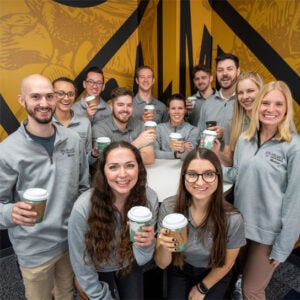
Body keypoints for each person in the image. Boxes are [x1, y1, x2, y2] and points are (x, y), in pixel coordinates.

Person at [0, 74, 89, 300]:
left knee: (66, 294)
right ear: (22, 100)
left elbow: (83, 187)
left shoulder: (72, 140)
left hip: (69, 242)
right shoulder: (7, 151)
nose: (44, 103)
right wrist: (11, 212)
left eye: (49, 96)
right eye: (35, 96)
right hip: (34, 249)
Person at [223, 81, 300, 300]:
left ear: (286, 109)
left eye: (278, 104)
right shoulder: (245, 140)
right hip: (240, 227)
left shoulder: (294, 146)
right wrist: (209, 170)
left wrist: (284, 246)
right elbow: (237, 174)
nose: (270, 109)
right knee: (236, 276)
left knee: (252, 289)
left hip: (268, 234)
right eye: (265, 103)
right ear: (257, 106)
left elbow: (296, 201)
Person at [68, 141, 159, 299]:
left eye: (130, 165)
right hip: (95, 266)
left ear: (139, 168)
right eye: (113, 167)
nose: (123, 174)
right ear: (103, 172)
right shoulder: (83, 207)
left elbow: (143, 259)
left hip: (128, 261)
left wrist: (147, 243)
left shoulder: (149, 199)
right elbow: (81, 262)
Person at [155, 148, 246, 300]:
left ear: (218, 177)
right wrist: (164, 246)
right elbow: (162, 264)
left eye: (209, 174)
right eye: (192, 174)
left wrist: (202, 288)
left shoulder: (233, 218)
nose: (200, 181)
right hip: (180, 267)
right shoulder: (169, 208)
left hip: (214, 271)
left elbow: (227, 263)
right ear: (184, 177)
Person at [92, 87, 156, 165]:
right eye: (120, 105)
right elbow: (104, 160)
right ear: (111, 106)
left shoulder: (140, 125)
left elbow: (149, 158)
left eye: (129, 105)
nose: (125, 109)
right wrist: (136, 144)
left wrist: (117, 155)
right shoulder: (100, 128)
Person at [214, 72, 264, 167]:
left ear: (261, 91)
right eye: (240, 93)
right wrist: (216, 152)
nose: (245, 97)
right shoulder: (232, 124)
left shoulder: (272, 122)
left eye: (250, 91)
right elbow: (231, 163)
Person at [197, 53, 240, 147]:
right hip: (210, 159)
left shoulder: (244, 102)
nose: (224, 73)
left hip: (236, 160)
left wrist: (226, 134)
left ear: (238, 71)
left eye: (229, 69)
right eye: (220, 70)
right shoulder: (208, 103)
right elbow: (199, 135)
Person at [52, 77, 92, 155]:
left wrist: (94, 154)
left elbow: (86, 160)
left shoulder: (85, 123)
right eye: (61, 93)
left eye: (70, 94)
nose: (66, 98)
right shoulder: (43, 123)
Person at [155, 93, 200, 159]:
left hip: (183, 168)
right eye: (173, 108)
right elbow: (154, 153)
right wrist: (177, 154)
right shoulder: (158, 129)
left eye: (180, 108)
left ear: (185, 110)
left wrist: (183, 151)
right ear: (168, 110)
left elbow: (190, 154)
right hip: (161, 168)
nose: (177, 112)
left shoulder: (193, 130)